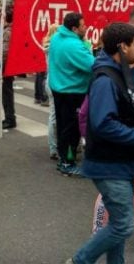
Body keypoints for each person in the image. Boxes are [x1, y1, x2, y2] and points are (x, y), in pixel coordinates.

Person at [67, 23, 134, 264]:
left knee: (118, 223)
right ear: (122, 47)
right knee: (123, 224)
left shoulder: (119, 70)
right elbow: (103, 123)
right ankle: (80, 261)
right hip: (108, 164)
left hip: (120, 162)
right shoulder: (106, 79)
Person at [49, 12, 95, 176]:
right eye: (83, 25)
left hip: (59, 88)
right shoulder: (73, 45)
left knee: (63, 127)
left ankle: (64, 158)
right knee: (72, 130)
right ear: (74, 28)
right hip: (72, 91)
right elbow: (92, 65)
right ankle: (67, 162)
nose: (86, 27)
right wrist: (89, 48)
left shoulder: (57, 37)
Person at [42, 24, 60, 160]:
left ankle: (53, 146)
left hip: (49, 79)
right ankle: (54, 147)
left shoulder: (48, 47)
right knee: (55, 116)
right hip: (55, 80)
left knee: (52, 115)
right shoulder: (55, 47)